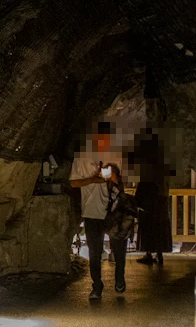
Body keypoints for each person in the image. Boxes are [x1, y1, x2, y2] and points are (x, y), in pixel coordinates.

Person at [70, 127, 126, 300]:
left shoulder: (115, 154)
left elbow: (119, 182)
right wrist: (93, 179)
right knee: (95, 251)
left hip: (113, 210)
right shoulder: (82, 157)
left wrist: (113, 175)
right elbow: (74, 182)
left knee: (118, 247)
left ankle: (119, 279)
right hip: (91, 211)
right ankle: (97, 285)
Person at [130, 128, 172, 265]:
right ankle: (158, 254)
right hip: (161, 197)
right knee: (159, 226)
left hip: (150, 198)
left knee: (148, 226)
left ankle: (149, 253)